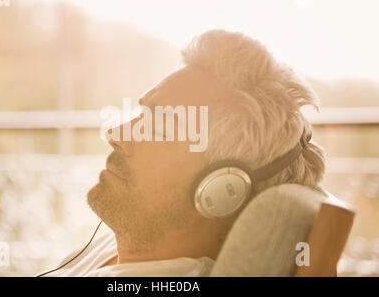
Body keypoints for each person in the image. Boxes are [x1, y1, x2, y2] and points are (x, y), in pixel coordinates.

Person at [44, 29, 326, 277]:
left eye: (158, 128)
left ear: (221, 189)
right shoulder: (132, 242)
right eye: (141, 114)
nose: (115, 135)